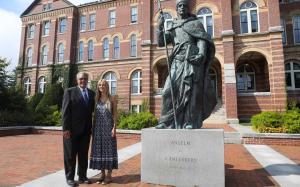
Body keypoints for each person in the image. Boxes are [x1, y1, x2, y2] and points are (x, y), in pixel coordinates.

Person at [156, 0, 216, 129]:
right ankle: (166, 121)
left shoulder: (196, 23)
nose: (182, 7)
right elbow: (162, 42)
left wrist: (201, 54)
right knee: (168, 91)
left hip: (192, 60)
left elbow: (202, 39)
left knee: (192, 93)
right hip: (177, 60)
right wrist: (160, 27)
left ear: (188, 9)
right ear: (177, 9)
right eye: (179, 6)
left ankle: (190, 122)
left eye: (184, 5)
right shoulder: (173, 25)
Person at [62, 72, 95, 186]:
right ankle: (70, 178)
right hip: (71, 131)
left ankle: (82, 176)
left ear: (87, 80)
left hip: (86, 131)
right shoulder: (69, 92)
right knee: (70, 155)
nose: (83, 81)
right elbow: (65, 112)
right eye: (81, 79)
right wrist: (65, 129)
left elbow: (93, 111)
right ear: (77, 80)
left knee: (83, 155)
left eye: (85, 79)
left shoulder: (92, 93)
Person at [89, 79, 118, 185]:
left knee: (109, 150)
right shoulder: (96, 99)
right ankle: (102, 174)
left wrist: (114, 127)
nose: (102, 86)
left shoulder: (112, 98)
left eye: (104, 85)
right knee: (100, 150)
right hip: (98, 128)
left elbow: (115, 114)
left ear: (107, 86)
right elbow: (93, 115)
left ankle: (109, 175)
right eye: (100, 85)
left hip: (109, 128)